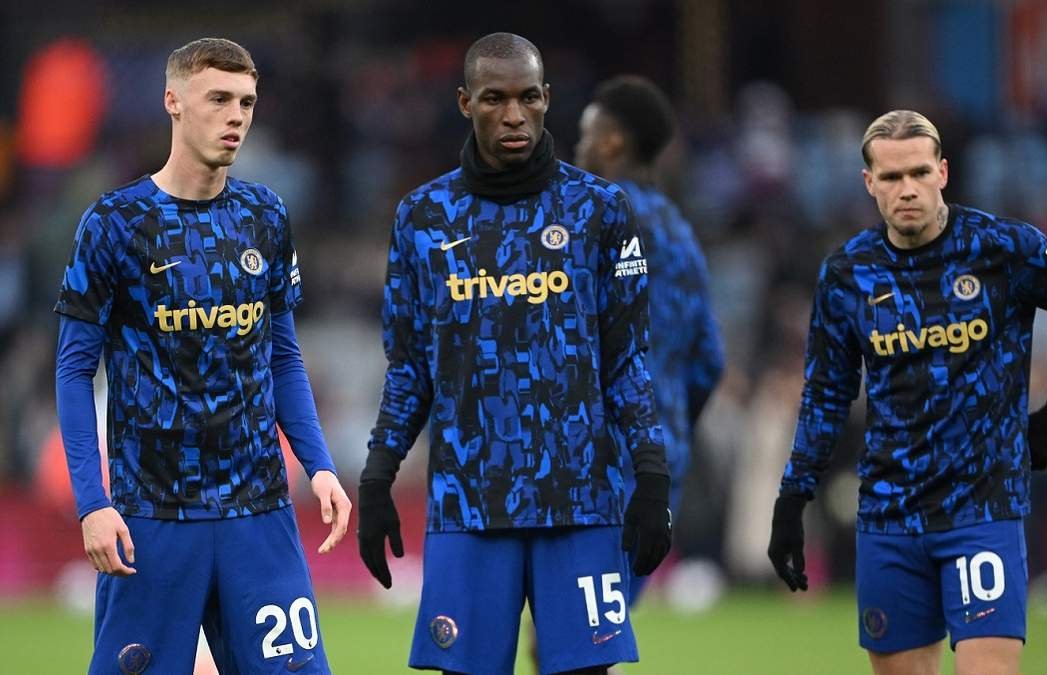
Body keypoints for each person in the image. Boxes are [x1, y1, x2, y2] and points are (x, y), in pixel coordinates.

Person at [767, 110, 1047, 675]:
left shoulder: (1004, 248)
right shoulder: (848, 274)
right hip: (889, 514)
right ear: (869, 183)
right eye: (891, 177)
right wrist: (793, 498)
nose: (906, 189)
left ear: (942, 172)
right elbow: (826, 396)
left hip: (982, 507)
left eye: (918, 172)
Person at [356, 33, 672, 675]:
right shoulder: (423, 218)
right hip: (468, 504)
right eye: (494, 99)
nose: (513, 115)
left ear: (548, 99)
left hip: (581, 501)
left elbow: (627, 361)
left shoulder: (601, 210)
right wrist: (378, 474)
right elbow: (410, 367)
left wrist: (651, 474)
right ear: (464, 102)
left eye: (528, 98)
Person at [54, 38, 350, 675]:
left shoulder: (265, 215)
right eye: (218, 99)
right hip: (152, 517)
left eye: (246, 102)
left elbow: (282, 355)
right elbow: (74, 370)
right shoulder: (114, 223)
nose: (235, 116)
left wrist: (319, 465)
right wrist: (92, 502)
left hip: (259, 509)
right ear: (174, 102)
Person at [574, 74, 725, 604]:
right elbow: (710, 360)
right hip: (660, 461)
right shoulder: (682, 234)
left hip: (593, 454)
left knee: (567, 626)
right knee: (603, 621)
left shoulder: (591, 217)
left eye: (587, 134)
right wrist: (670, 427)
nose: (579, 147)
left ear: (613, 141)